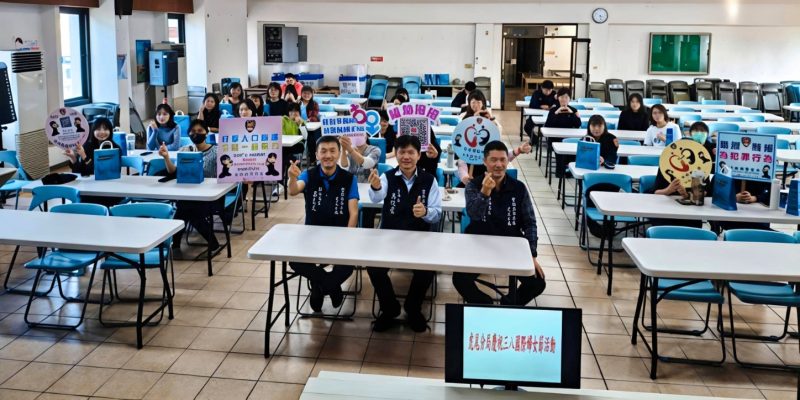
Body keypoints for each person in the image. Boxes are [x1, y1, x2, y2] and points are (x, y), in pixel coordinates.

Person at [453, 141, 545, 305]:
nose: (498, 164)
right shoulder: (473, 185)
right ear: (485, 161)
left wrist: (531, 254)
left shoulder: (519, 188)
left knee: (537, 282)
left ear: (507, 161)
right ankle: (485, 306)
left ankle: (508, 305)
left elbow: (530, 223)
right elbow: (474, 214)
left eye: (502, 159)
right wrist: (485, 192)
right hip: (479, 243)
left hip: (511, 244)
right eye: (493, 160)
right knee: (460, 279)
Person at [367, 135, 442, 332]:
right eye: (402, 152)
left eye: (411, 152)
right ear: (396, 154)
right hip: (389, 238)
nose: (406, 157)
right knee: (374, 267)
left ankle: (413, 308)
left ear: (419, 155)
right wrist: (375, 186)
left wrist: (425, 212)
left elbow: (437, 213)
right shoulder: (387, 176)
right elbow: (376, 198)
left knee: (427, 269)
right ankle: (389, 308)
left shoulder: (429, 180)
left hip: (419, 238)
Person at [287, 136, 359, 310]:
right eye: (323, 151)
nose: (328, 155)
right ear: (317, 155)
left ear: (339, 153)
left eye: (332, 151)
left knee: (347, 266)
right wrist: (292, 178)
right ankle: (331, 286)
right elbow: (294, 191)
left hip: (339, 235)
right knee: (295, 262)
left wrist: (348, 237)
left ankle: (319, 288)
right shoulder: (309, 174)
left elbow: (354, 212)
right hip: (311, 236)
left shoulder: (349, 178)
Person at [159, 120, 223, 253]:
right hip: (188, 194)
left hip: (209, 196)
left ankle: (175, 244)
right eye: (193, 131)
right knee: (186, 207)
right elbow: (174, 172)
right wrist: (166, 157)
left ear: (206, 132)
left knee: (186, 209)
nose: (196, 134)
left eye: (200, 131)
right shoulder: (185, 150)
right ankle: (211, 243)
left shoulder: (217, 151)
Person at [63, 117, 123, 207]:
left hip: (110, 190)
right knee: (81, 200)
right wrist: (73, 158)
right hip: (90, 189)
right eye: (98, 129)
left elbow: (101, 172)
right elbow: (81, 173)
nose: (102, 132)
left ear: (110, 131)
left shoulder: (115, 149)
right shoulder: (87, 146)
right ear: (93, 131)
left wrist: (84, 156)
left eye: (105, 129)